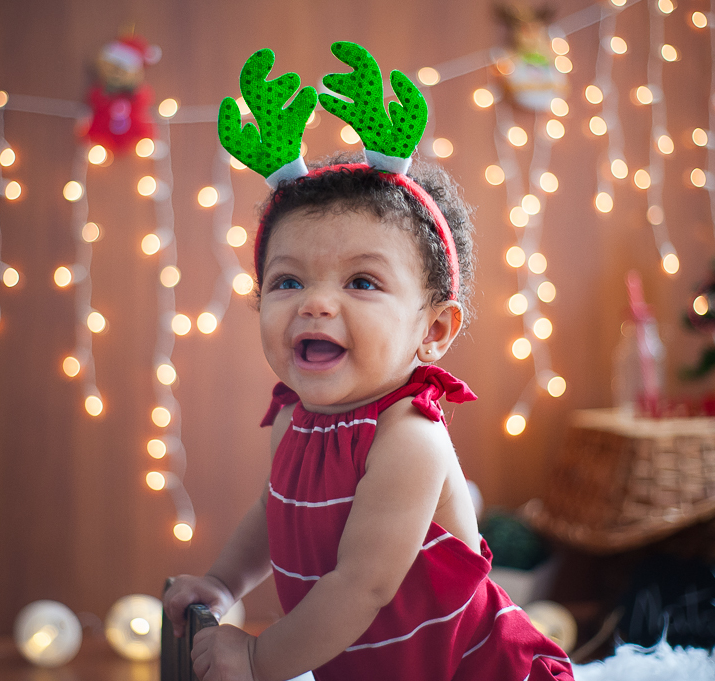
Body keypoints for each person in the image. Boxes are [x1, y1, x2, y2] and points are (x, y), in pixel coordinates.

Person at [164, 152, 575, 681]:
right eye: (288, 282)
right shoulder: (292, 420)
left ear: (433, 331)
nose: (315, 303)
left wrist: (257, 660)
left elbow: (363, 585)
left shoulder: (409, 436)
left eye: (361, 282)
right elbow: (273, 512)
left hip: (469, 671)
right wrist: (223, 584)